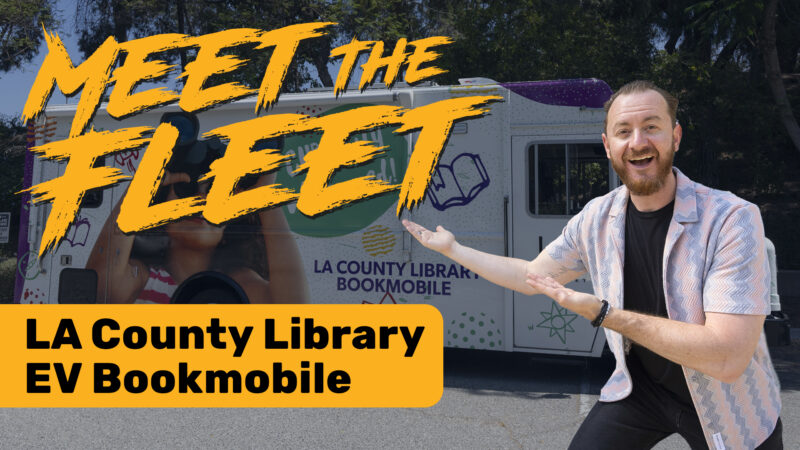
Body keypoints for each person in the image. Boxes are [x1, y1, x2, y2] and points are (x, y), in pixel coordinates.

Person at [403, 80, 782, 449]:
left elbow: (727, 358)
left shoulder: (731, 218)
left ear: (675, 137)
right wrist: (454, 249)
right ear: (607, 145)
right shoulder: (598, 217)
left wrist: (606, 315)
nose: (638, 142)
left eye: (652, 127)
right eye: (623, 131)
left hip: (726, 402)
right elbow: (530, 276)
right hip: (641, 390)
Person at [87, 168, 309, 304]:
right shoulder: (143, 279)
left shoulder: (238, 283)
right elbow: (99, 290)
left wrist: (265, 200)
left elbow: (292, 312)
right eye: (187, 190)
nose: (200, 199)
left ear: (227, 227)